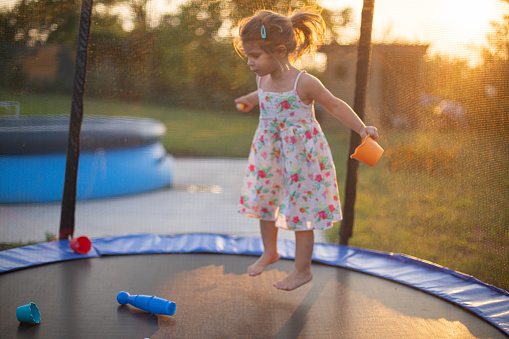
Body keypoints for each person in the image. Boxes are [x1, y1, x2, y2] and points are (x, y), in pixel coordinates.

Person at [234, 7, 379, 291]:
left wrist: (362, 128)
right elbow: (263, 94)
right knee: (265, 203)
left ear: (279, 50)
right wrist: (249, 100)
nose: (250, 62)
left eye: (255, 56)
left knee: (302, 210)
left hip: (300, 157)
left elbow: (335, 104)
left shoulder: (305, 83)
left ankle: (302, 270)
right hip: (268, 153)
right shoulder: (262, 78)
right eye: (248, 55)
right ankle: (270, 251)